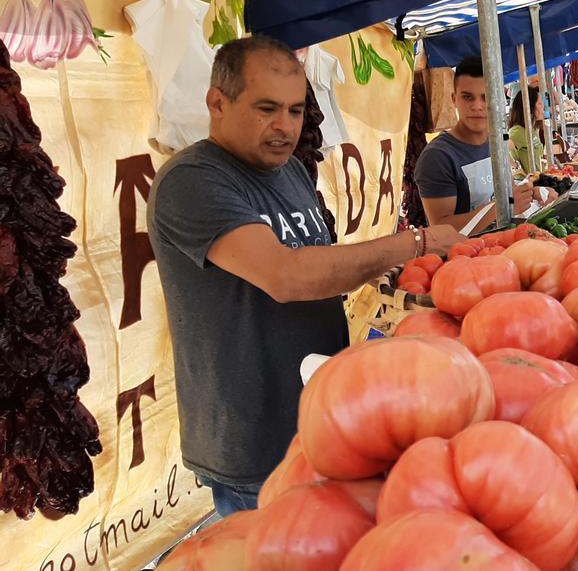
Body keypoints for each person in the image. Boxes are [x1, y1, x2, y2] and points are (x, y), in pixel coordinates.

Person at [146, 36, 465, 516]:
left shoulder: (291, 173)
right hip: (254, 444)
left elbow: (319, 260)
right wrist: (417, 242)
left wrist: (394, 270)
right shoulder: (192, 182)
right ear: (217, 103)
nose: (284, 127)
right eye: (267, 109)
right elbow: (285, 276)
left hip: (318, 421)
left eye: (295, 111)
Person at [416, 57, 550, 232]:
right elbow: (441, 229)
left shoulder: (497, 143)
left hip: (502, 247)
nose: (477, 106)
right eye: (467, 97)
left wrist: (531, 192)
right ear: (454, 99)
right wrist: (504, 206)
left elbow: (508, 189)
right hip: (466, 256)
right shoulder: (438, 157)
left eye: (485, 97)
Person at [508, 86, 544, 178]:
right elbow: (501, 150)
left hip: (538, 182)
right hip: (525, 185)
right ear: (529, 107)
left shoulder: (534, 129)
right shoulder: (517, 132)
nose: (543, 106)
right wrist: (516, 166)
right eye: (539, 103)